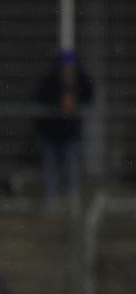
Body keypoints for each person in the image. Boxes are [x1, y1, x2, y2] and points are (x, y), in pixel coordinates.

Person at [35, 50, 93, 204]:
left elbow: (89, 96)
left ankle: (72, 203)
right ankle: (51, 200)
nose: (68, 70)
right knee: (50, 170)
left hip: (70, 135)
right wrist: (59, 104)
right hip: (50, 134)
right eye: (65, 67)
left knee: (72, 169)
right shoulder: (49, 82)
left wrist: (74, 102)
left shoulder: (82, 82)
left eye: (71, 67)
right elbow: (41, 99)